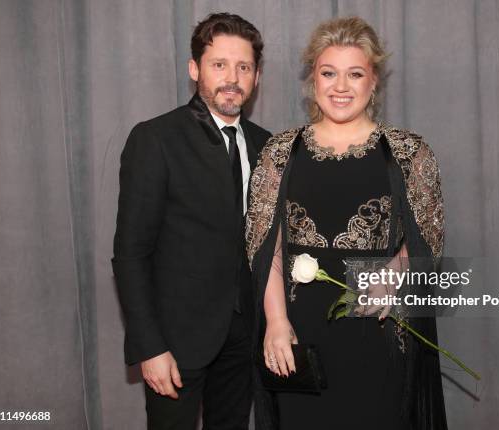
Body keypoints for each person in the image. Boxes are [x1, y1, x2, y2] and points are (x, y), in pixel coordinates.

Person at [245, 17, 447, 430]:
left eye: (355, 74)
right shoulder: (279, 151)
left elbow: (429, 238)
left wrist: (396, 271)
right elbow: (266, 246)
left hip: (379, 327)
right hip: (300, 334)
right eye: (328, 73)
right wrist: (277, 323)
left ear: (373, 82)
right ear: (313, 80)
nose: (341, 86)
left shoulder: (409, 152)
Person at [112, 13, 271, 430]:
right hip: (176, 342)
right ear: (194, 68)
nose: (232, 78)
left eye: (244, 66)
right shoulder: (155, 139)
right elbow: (130, 254)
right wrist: (150, 347)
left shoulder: (267, 145)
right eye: (220, 64)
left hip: (244, 339)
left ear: (255, 75)